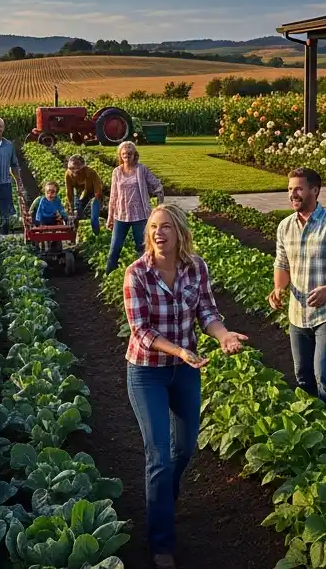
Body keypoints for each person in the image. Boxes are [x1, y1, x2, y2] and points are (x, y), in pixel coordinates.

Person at [123, 204, 247, 569]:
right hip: (148, 372)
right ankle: (161, 543)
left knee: (186, 447)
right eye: (153, 227)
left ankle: (163, 498)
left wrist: (223, 336)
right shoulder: (137, 273)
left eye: (165, 227)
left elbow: (206, 311)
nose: (158, 233)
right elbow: (141, 331)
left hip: (185, 371)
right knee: (158, 456)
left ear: (179, 232)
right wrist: (179, 349)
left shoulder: (196, 268)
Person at [266, 167, 326, 419]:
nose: (292, 194)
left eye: (298, 188)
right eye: (290, 189)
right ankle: (312, 423)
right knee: (303, 375)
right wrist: (279, 288)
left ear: (315, 190)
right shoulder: (285, 226)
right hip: (297, 314)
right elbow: (282, 264)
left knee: (324, 374)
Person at [107, 141, 165, 273]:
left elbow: (157, 186)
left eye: (130, 153)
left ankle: (146, 275)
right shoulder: (116, 172)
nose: (127, 156)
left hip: (140, 215)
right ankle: (109, 275)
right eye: (124, 153)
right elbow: (113, 196)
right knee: (114, 248)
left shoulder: (141, 169)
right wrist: (110, 217)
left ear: (134, 155)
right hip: (121, 215)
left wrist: (159, 206)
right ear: (120, 155)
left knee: (142, 248)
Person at [65, 154, 104, 233]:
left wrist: (96, 201)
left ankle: (96, 232)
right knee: (78, 215)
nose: (74, 171)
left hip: (93, 193)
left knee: (94, 218)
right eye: (71, 168)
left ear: (83, 167)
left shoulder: (91, 173)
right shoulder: (68, 174)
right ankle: (78, 233)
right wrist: (72, 207)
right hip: (79, 193)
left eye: (77, 169)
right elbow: (69, 192)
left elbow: (98, 190)